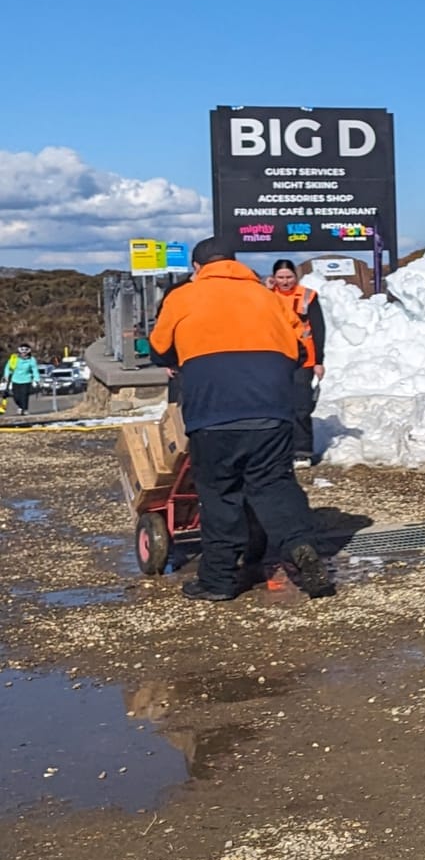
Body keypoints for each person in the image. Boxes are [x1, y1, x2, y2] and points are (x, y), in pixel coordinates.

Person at [147, 239, 333, 601]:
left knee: (220, 494)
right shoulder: (268, 297)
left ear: (197, 268)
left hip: (213, 413)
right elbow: (297, 350)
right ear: (235, 263)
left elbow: (158, 350)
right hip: (272, 411)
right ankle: (300, 546)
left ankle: (218, 580)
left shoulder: (183, 297)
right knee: (274, 484)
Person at [268, 259, 326, 463]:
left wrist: (319, 360)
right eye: (280, 277)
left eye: (289, 277)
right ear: (273, 277)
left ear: (296, 276)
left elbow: (318, 329)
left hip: (304, 359)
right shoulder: (266, 296)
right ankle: (279, 450)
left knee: (301, 406)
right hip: (275, 357)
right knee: (275, 406)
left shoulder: (307, 296)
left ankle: (302, 451)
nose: (284, 282)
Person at [6, 344, 38, 414]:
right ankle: (20, 407)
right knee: (16, 397)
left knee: (24, 396)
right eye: (22, 350)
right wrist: (6, 375)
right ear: (19, 350)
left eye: (26, 350)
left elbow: (35, 370)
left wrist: (36, 380)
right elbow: (8, 367)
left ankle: (25, 409)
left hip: (26, 380)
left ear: (28, 351)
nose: (24, 352)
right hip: (15, 380)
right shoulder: (14, 358)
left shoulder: (32, 360)